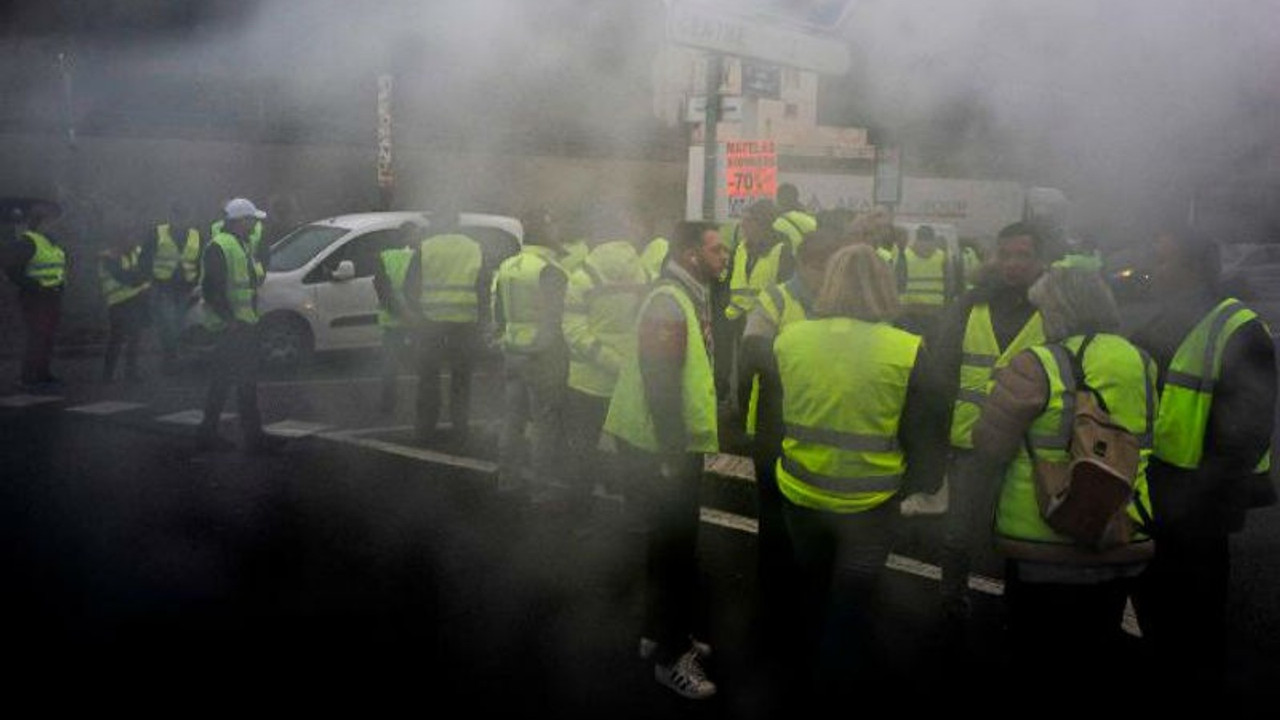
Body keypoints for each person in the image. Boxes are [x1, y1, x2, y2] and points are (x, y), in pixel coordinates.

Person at [968, 262, 1157, 700]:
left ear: (1059, 310)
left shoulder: (1037, 363)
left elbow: (989, 444)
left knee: (1038, 661)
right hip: (1119, 526)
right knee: (1095, 654)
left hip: (1042, 537)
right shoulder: (1139, 360)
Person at [769, 243, 930, 701]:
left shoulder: (790, 338)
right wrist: (917, 486)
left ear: (830, 282)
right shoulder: (907, 349)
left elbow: (783, 406)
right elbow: (923, 429)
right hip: (871, 500)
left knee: (813, 588)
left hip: (801, 491)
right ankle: (834, 686)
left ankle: (801, 675)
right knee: (852, 600)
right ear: (884, 284)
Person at [1131, 226, 1276, 698]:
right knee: (1158, 607)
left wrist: (1195, 493)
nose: (1154, 269)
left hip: (1202, 502)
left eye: (1164, 260)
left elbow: (1248, 429)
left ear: (1192, 268)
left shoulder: (1240, 328)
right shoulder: (1165, 320)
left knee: (1198, 614)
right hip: (1162, 492)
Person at [602, 220, 728, 700]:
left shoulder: (686, 293)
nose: (726, 257)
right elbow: (660, 380)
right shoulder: (669, 300)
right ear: (692, 253)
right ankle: (670, 660)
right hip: (660, 447)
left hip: (662, 444)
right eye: (717, 249)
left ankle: (659, 632)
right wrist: (673, 453)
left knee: (666, 548)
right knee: (675, 552)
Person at [908, 222, 1048, 617]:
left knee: (1022, 534)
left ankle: (1017, 609)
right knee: (958, 531)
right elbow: (941, 371)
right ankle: (951, 600)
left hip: (1028, 445)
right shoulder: (971, 305)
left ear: (1040, 261)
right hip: (969, 441)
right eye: (1005, 254)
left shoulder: (1051, 311)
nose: (1013, 264)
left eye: (1023, 255)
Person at [737, 227, 844, 643]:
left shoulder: (841, 303)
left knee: (818, 519)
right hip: (775, 426)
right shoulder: (777, 299)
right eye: (820, 268)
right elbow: (752, 358)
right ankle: (773, 602)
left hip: (824, 427)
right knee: (776, 517)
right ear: (803, 264)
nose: (826, 277)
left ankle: (812, 596)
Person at [561, 211, 650, 520]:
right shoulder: (646, 274)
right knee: (633, 453)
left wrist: (605, 359)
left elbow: (573, 330)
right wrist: (627, 364)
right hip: (628, 380)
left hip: (587, 381)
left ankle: (579, 518)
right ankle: (636, 517)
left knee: (582, 452)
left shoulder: (582, 276)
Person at [492, 208, 568, 498]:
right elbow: (555, 317)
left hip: (512, 350)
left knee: (512, 420)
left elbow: (497, 310)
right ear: (547, 234)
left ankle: (507, 480)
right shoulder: (549, 270)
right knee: (543, 424)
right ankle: (540, 488)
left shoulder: (508, 265)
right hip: (542, 354)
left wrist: (504, 337)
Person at [196, 198, 281, 454]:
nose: (255, 224)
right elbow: (212, 289)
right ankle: (250, 438)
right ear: (239, 221)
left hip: (241, 325)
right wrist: (230, 320)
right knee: (240, 382)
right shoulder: (221, 246)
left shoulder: (239, 245)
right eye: (251, 219)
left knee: (229, 382)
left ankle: (211, 434)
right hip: (233, 328)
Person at [405, 209, 486, 445]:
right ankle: (460, 429)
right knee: (461, 379)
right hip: (465, 324)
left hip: (431, 324)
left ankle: (424, 431)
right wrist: (482, 320)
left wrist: (418, 313)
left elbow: (410, 287)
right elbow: (483, 286)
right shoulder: (475, 247)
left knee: (428, 378)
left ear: (439, 224)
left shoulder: (425, 248)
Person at [1, 202, 67, 390]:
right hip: (36, 297)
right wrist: (33, 285)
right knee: (37, 336)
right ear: (40, 221)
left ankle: (43, 374)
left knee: (47, 336)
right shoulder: (28, 241)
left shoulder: (51, 241)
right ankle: (29, 377)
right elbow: (11, 268)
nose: (55, 224)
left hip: (52, 296)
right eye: (51, 220)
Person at [372, 222, 421, 414]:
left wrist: (399, 312)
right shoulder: (419, 257)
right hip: (416, 319)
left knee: (390, 366)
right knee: (421, 365)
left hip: (392, 320)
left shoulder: (385, 257)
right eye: (417, 233)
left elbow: (382, 290)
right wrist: (412, 314)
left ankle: (388, 404)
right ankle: (422, 404)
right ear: (410, 236)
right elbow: (420, 289)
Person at [151, 202, 202, 373]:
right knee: (169, 324)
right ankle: (170, 359)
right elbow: (146, 258)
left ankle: (174, 359)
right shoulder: (158, 233)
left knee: (179, 325)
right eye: (178, 216)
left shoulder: (196, 235)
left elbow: (201, 260)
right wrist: (149, 281)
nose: (181, 220)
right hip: (164, 287)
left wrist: (198, 282)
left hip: (186, 288)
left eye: (184, 216)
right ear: (171, 216)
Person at [99, 231, 151, 383]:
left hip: (137, 300)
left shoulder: (138, 252)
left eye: (133, 237)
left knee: (135, 337)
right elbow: (124, 277)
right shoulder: (108, 257)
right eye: (129, 238)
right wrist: (139, 277)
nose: (132, 241)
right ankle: (108, 374)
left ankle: (130, 372)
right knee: (117, 338)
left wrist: (139, 276)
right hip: (118, 302)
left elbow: (147, 270)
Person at [895, 224, 949, 336]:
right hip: (935, 311)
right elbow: (950, 285)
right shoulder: (943, 256)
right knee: (933, 346)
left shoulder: (904, 255)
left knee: (911, 346)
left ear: (916, 238)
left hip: (910, 311)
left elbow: (898, 284)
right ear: (933, 239)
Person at [773, 183, 817, 249]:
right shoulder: (811, 218)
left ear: (780, 200)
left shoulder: (778, 222)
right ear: (797, 197)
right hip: (808, 257)